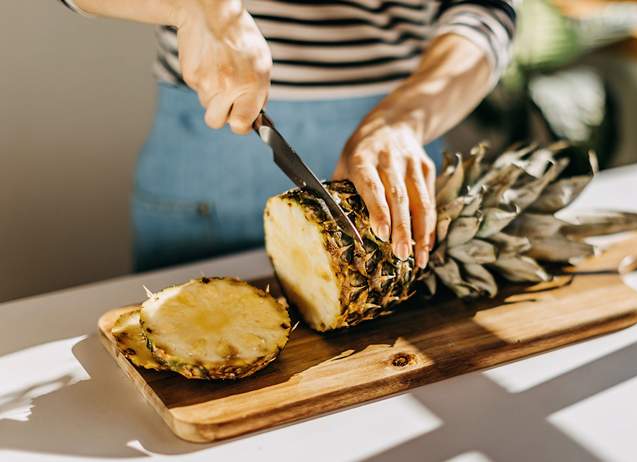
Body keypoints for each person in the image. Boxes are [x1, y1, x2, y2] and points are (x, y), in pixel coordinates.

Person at [60, 0, 516, 271]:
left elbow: (484, 11)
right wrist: (194, 6)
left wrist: (404, 120)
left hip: (394, 149)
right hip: (210, 166)